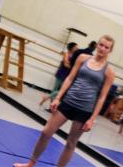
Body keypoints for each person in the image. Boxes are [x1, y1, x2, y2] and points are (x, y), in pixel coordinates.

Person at [14, 35, 116, 167]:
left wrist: (92, 119)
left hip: (85, 109)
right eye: (101, 45)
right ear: (97, 45)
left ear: (110, 51)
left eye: (106, 47)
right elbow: (69, 78)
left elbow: (102, 97)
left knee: (71, 143)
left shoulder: (109, 71)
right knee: (46, 132)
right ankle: (31, 163)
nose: (102, 48)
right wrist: (57, 98)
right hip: (68, 102)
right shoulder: (83, 58)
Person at [39, 42, 78, 110]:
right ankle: (50, 107)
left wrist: (70, 65)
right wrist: (72, 66)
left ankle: (46, 98)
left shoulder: (75, 56)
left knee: (60, 91)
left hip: (67, 76)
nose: (77, 48)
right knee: (55, 90)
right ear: (72, 48)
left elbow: (69, 64)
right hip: (61, 73)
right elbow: (66, 64)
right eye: (76, 47)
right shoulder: (66, 53)